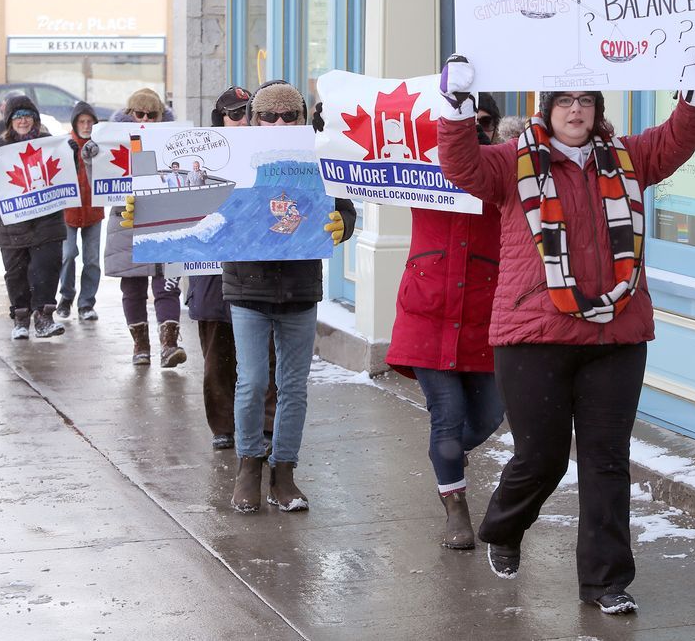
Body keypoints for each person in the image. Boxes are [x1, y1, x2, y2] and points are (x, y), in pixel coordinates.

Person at [435, 44, 695, 615]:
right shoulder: (510, 162)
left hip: (615, 334)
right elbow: (461, 165)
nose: (575, 110)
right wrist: (458, 110)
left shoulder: (627, 157)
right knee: (541, 458)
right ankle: (505, 525)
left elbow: (676, 139)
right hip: (533, 332)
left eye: (585, 100)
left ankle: (605, 582)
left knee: (606, 462)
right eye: (565, 100)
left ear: (597, 107)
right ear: (548, 108)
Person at [375, 93, 506, 550]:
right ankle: (455, 506)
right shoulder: (422, 168)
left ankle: (446, 456)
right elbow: (366, 158)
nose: (475, 130)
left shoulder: (504, 174)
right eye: (466, 121)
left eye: (484, 122)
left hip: (483, 319)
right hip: (427, 315)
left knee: (489, 416)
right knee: (446, 416)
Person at [225, 80, 356, 514]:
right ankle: (249, 465)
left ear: (301, 118)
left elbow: (344, 205)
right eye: (268, 115)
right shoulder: (232, 157)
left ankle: (284, 471)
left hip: (300, 287)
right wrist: (152, 215)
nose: (279, 123)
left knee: (294, 386)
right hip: (247, 285)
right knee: (252, 383)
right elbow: (197, 203)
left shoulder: (318, 155)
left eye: (288, 115)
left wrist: (342, 224)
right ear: (253, 118)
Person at [185, 85, 279, 451]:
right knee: (217, 353)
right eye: (235, 113)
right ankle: (222, 425)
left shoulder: (273, 151)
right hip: (212, 269)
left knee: (265, 353)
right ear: (221, 119)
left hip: (262, 268)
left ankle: (268, 424)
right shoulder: (201, 158)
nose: (242, 120)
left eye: (248, 113)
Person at [89, 88, 186, 367]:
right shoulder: (112, 141)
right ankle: (140, 345)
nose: (144, 119)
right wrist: (90, 157)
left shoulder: (173, 140)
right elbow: (97, 181)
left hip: (166, 220)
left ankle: (169, 344)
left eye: (151, 114)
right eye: (138, 113)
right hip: (126, 221)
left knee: (167, 285)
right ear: (129, 114)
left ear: (160, 115)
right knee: (132, 288)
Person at [0, 96, 69, 339]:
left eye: (27, 115)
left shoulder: (49, 143)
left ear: (35, 119)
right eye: (18, 116)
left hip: (46, 221)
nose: (23, 120)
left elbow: (67, 176)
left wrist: (73, 156)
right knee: (16, 273)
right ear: (9, 122)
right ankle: (21, 317)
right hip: (11, 223)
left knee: (46, 268)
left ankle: (44, 317)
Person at [55, 102, 104, 321]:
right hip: (68, 211)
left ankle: (86, 303)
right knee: (67, 255)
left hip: (94, 210)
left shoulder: (102, 146)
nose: (86, 126)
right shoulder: (64, 144)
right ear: (75, 123)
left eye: (89, 122)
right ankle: (66, 297)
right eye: (82, 122)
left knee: (92, 259)